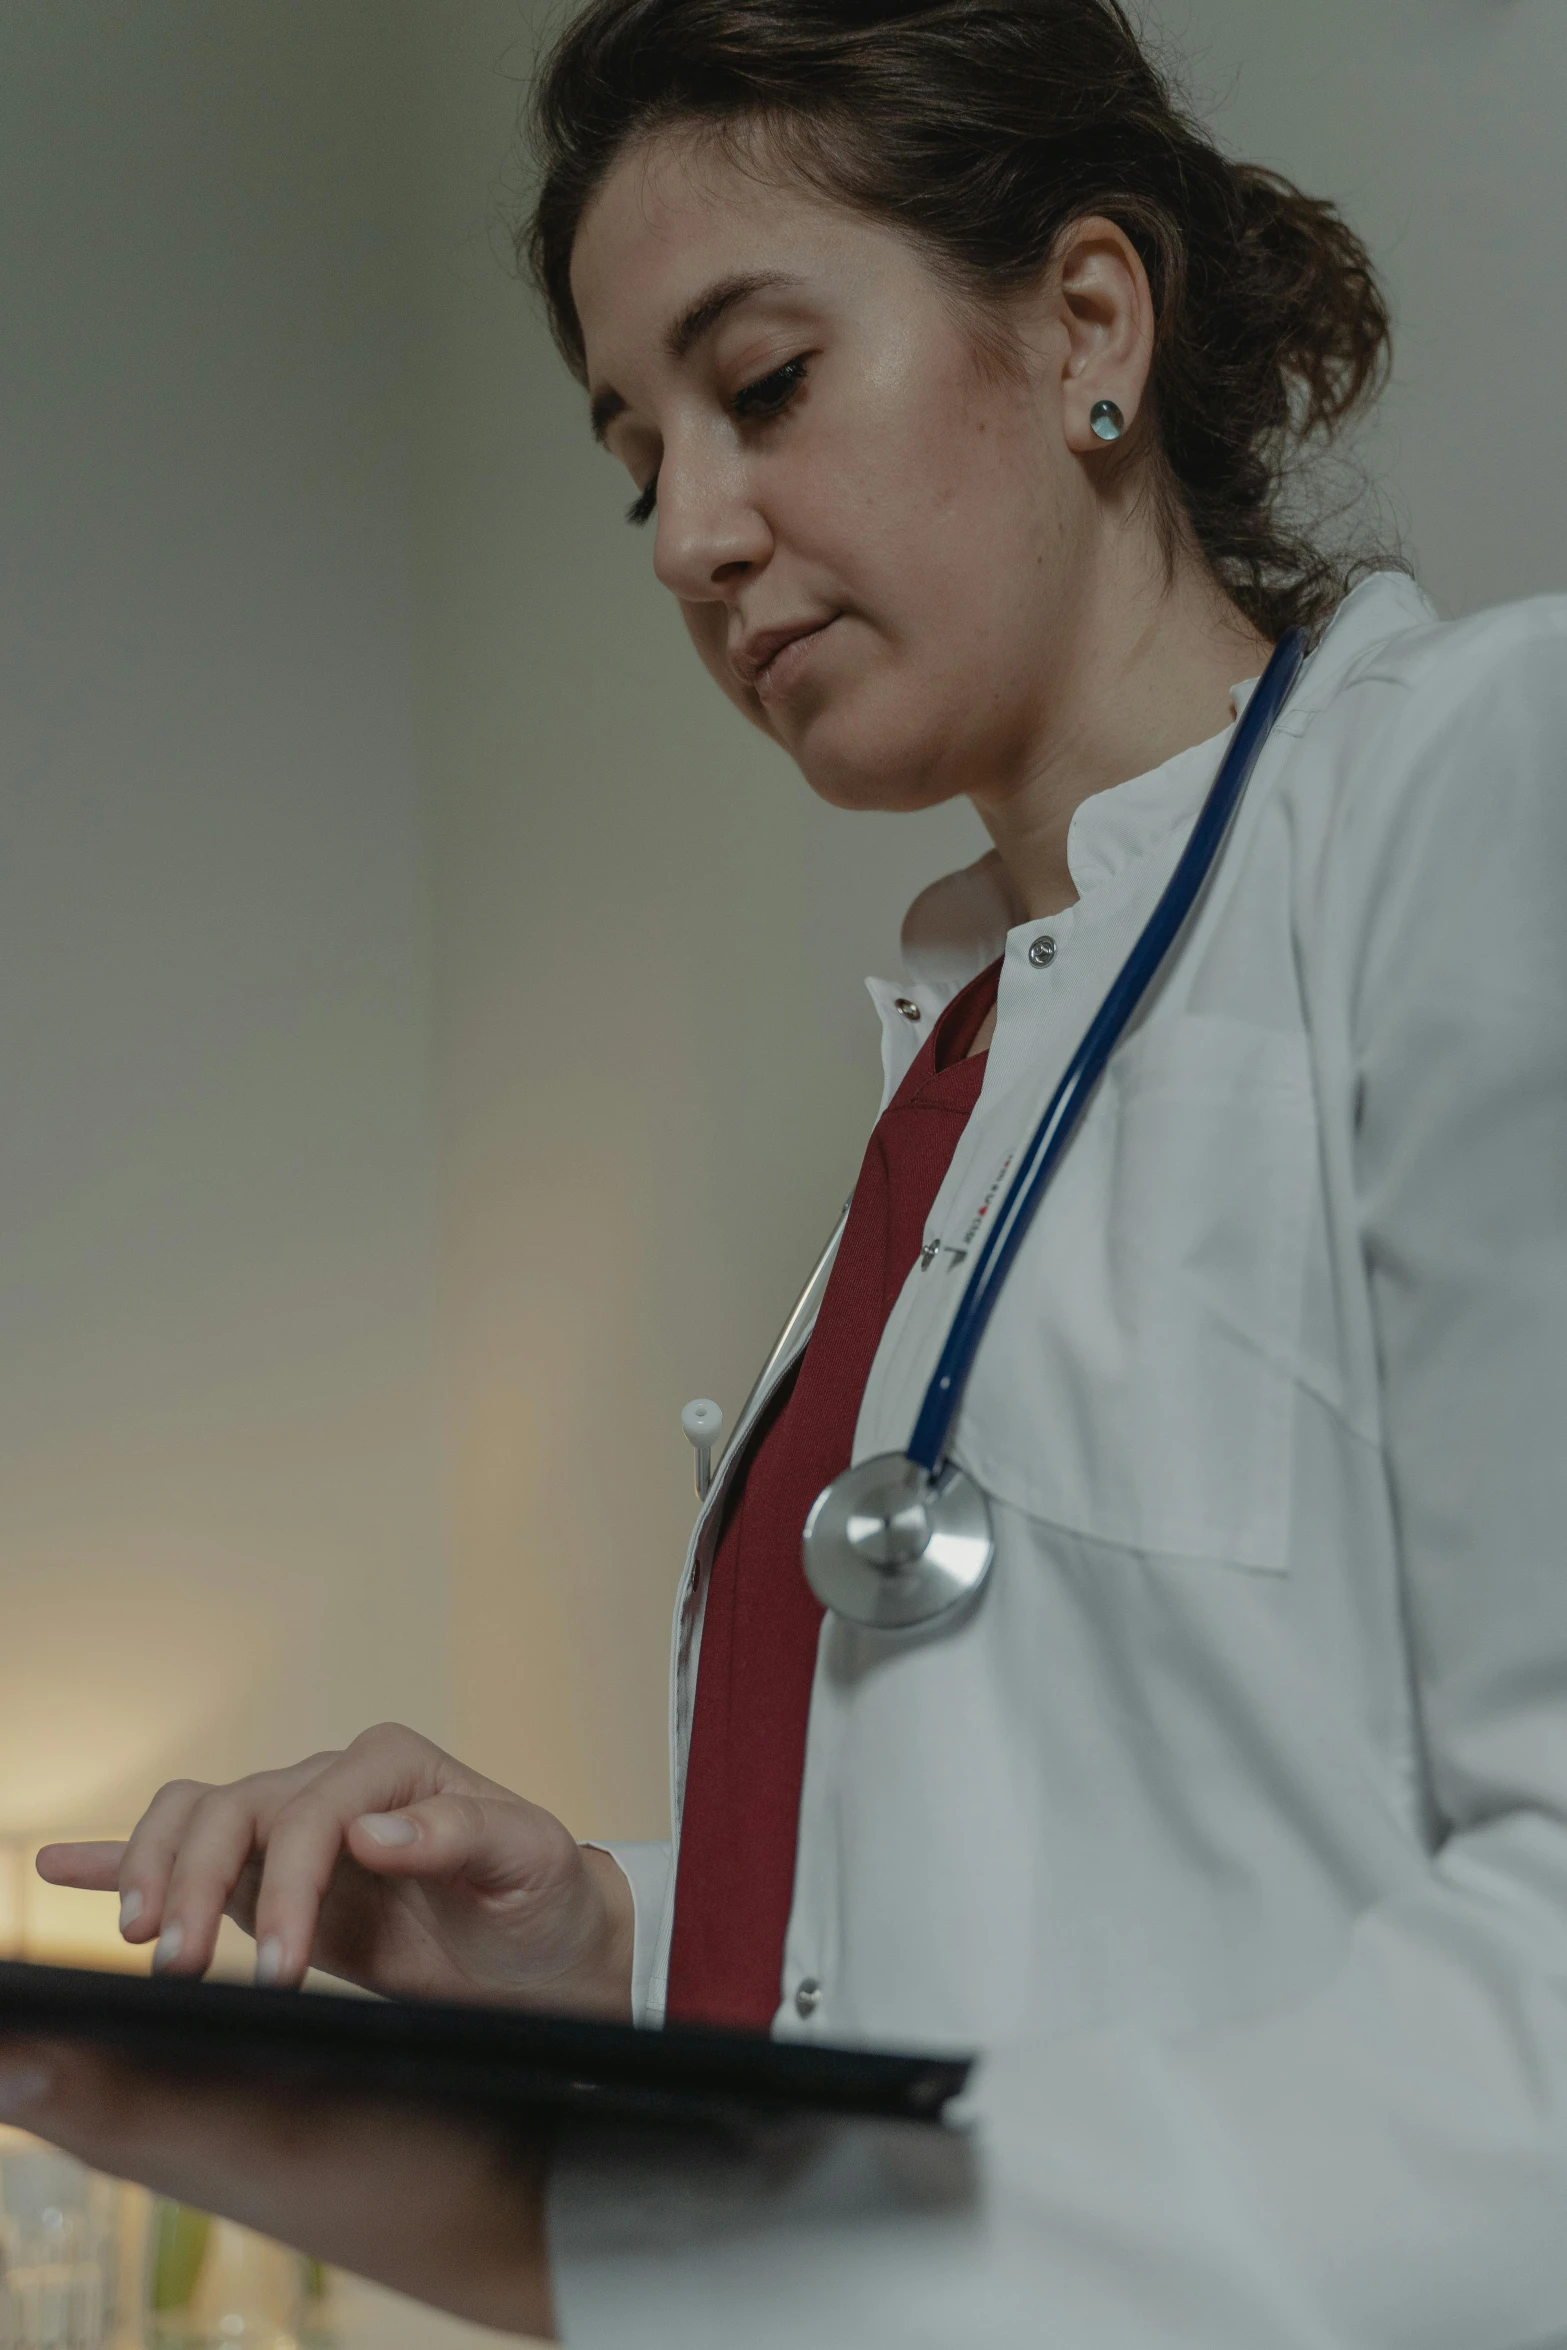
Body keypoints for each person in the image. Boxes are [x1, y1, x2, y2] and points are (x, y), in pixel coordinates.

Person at [5, 0, 1567, 2340]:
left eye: (759, 389)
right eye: (637, 459)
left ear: (1085, 326)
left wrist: (592, 2229)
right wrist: (612, 1942)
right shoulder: (963, 1072)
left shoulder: (1471, 799)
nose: (692, 535)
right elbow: (1102, 1887)